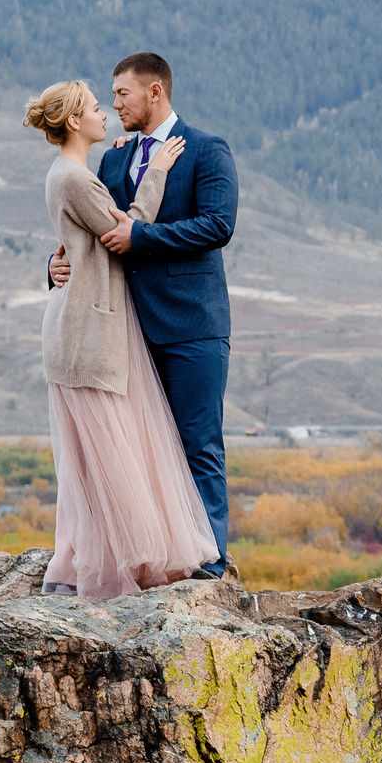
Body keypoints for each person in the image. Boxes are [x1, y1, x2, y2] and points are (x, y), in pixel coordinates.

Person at [46, 52, 239, 576]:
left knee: (198, 446)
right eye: (108, 96)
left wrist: (143, 237)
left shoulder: (206, 150)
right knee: (143, 454)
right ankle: (160, 560)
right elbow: (92, 233)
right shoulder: (110, 160)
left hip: (191, 327)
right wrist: (54, 263)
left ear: (155, 91)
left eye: (122, 94)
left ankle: (209, 567)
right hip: (123, 333)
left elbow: (218, 226)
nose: (114, 104)